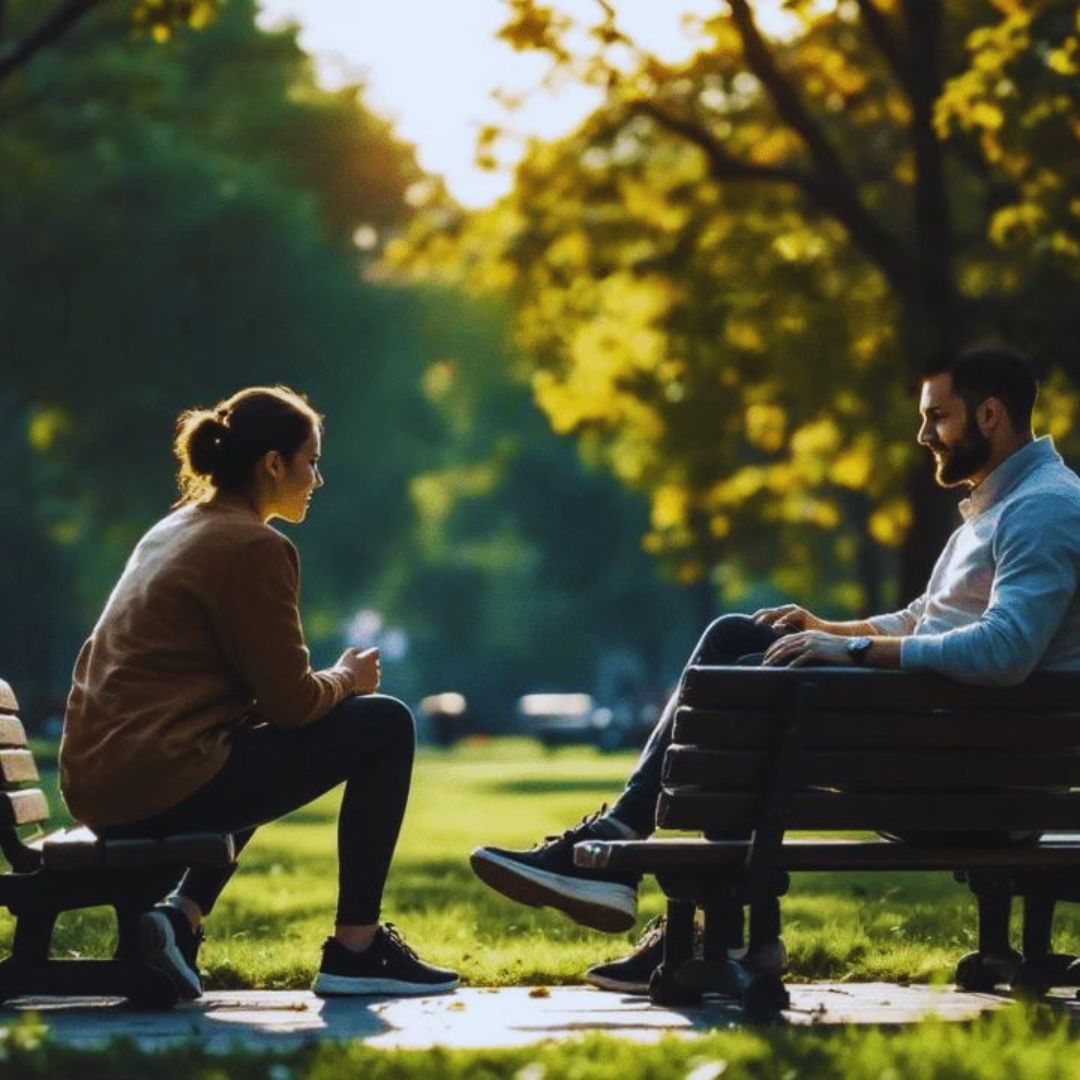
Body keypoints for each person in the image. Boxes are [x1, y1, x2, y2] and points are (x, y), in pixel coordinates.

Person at [470, 342, 1080, 993]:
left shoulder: (1041, 510)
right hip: (948, 764)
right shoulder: (1001, 507)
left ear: (989, 415)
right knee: (748, 643)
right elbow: (925, 620)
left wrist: (851, 653)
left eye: (938, 417)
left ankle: (684, 903)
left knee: (748, 699)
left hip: (969, 788)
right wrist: (828, 630)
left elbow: (1005, 650)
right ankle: (698, 915)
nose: (924, 435)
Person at [60, 386, 458, 1000]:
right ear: (273, 463)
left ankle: (180, 920)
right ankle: (356, 947)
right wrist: (348, 680)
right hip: (156, 781)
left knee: (251, 740)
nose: (316, 479)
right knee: (384, 724)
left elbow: (268, 699)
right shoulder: (255, 546)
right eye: (311, 461)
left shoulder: (174, 528)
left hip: (105, 780)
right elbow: (293, 705)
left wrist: (326, 686)